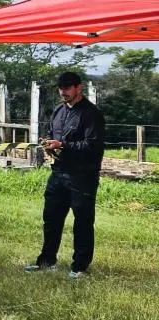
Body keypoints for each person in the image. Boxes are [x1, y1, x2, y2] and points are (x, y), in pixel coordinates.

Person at [24, 71, 105, 279]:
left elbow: (93, 146)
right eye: (61, 88)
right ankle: (47, 261)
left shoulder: (91, 113)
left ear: (79, 88)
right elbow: (53, 135)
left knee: (83, 222)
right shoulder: (59, 110)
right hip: (58, 173)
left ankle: (79, 267)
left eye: (67, 88)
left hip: (83, 176)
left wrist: (64, 145)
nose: (63, 92)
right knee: (51, 218)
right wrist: (49, 144)